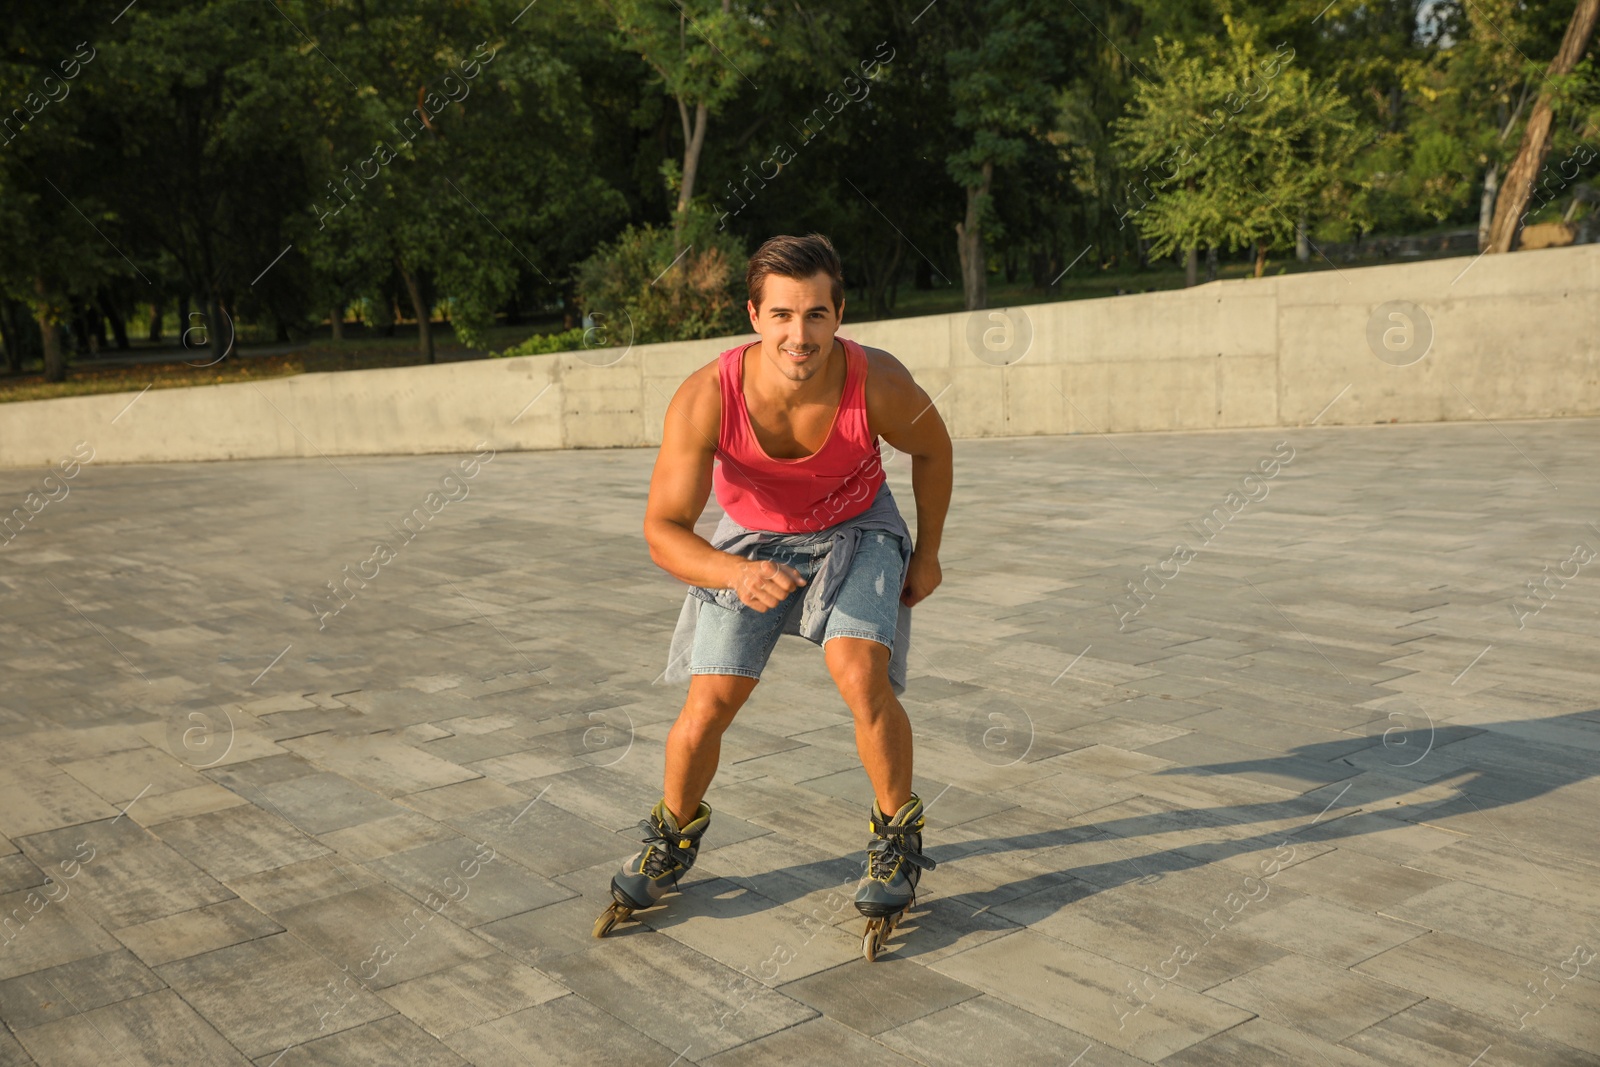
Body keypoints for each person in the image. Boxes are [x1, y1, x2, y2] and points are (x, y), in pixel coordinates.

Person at [596, 233, 953, 953]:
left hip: (860, 528)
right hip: (752, 541)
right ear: (754, 315)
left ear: (839, 313)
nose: (801, 334)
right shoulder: (706, 396)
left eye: (817, 314)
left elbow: (933, 448)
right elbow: (663, 529)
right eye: (783, 315)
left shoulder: (874, 380)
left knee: (860, 671)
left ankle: (897, 836)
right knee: (709, 703)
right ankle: (671, 833)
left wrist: (930, 552)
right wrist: (734, 572)